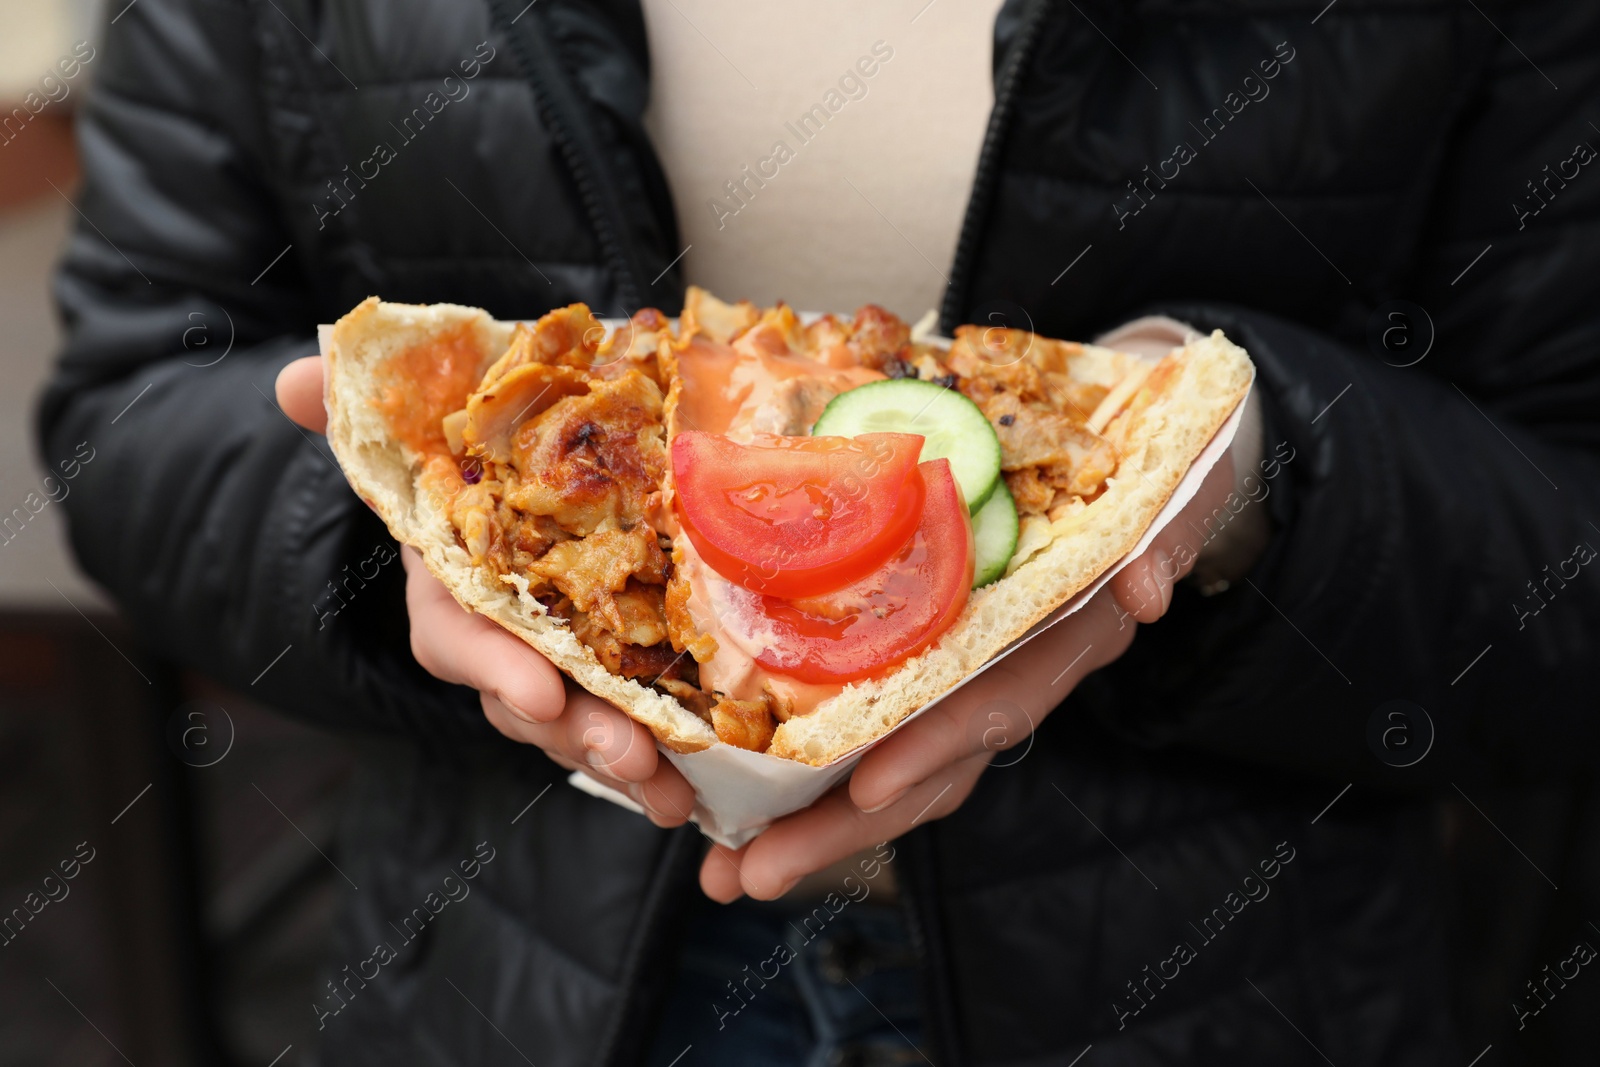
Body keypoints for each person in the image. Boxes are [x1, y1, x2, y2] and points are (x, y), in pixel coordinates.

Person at [39, 0, 1600, 1064]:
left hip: (1222, 994)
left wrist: (1237, 474)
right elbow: (129, 401)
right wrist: (395, 547)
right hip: (506, 980)